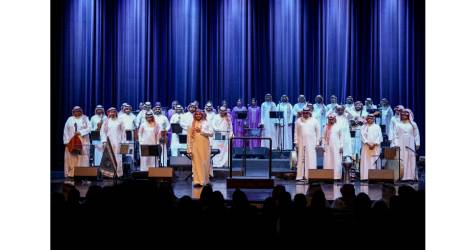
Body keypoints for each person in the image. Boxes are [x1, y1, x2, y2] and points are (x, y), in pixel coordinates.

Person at [187, 110, 213, 187]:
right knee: (196, 163)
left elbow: (211, 133)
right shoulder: (191, 124)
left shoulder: (206, 123)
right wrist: (189, 149)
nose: (198, 115)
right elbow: (189, 138)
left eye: (199, 114)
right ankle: (197, 181)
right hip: (195, 146)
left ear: (202, 115)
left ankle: (205, 180)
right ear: (194, 115)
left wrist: (201, 131)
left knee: (205, 163)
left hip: (205, 146)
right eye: (196, 114)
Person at [294, 107, 321, 181]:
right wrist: (296, 142)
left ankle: (311, 176)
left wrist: (317, 143)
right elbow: (296, 132)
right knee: (300, 158)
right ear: (302, 112)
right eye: (304, 112)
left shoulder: (315, 121)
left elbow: (318, 133)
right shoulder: (298, 121)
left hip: (311, 142)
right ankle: (300, 176)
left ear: (309, 113)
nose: (305, 114)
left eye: (307, 112)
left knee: (311, 158)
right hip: (301, 142)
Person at [63, 106, 91, 177]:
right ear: (73, 112)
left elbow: (89, 128)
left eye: (78, 111)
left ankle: (82, 174)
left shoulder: (85, 118)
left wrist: (80, 132)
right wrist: (66, 141)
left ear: (81, 111)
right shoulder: (70, 119)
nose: (77, 112)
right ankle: (71, 174)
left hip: (83, 142)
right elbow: (65, 130)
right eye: (75, 111)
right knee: (72, 158)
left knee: (82, 158)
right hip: (71, 142)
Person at [394, 109, 420, 181]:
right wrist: (396, 144)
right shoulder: (398, 124)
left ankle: (411, 176)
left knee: (410, 158)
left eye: (405, 114)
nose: (403, 116)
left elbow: (416, 134)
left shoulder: (413, 124)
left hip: (410, 143)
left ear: (409, 115)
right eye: (402, 115)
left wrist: (417, 143)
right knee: (402, 159)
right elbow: (395, 135)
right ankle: (402, 176)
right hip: (400, 144)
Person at [100, 107, 125, 177]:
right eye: (111, 112)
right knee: (108, 158)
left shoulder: (120, 121)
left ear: (116, 112)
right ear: (109, 113)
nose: (112, 113)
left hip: (118, 142)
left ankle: (118, 174)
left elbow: (123, 132)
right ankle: (108, 174)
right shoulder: (106, 121)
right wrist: (104, 141)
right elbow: (102, 132)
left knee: (118, 158)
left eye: (113, 112)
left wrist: (123, 142)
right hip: (108, 143)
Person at [359, 114, 383, 180]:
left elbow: (380, 136)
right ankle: (365, 177)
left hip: (375, 147)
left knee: (374, 161)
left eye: (372, 118)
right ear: (367, 119)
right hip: (366, 147)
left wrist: (374, 144)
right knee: (366, 161)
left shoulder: (377, 126)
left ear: (374, 119)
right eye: (369, 118)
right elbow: (362, 136)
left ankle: (375, 177)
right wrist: (368, 143)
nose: (370, 119)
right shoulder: (363, 127)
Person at [322, 114, 343, 180]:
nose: (331, 120)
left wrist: (341, 146)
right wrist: (323, 145)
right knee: (328, 161)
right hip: (327, 146)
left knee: (336, 161)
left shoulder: (339, 126)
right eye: (330, 119)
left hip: (337, 146)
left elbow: (341, 137)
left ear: (335, 119)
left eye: (332, 119)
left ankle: (337, 177)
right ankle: (328, 176)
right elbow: (323, 137)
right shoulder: (325, 127)